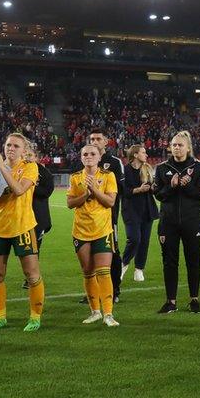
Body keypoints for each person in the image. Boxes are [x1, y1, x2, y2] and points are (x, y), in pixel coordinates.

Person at [0, 133, 45, 332]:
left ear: (24, 151)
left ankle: (35, 317)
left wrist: (2, 167)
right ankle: (0, 317)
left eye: (16, 146)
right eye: (8, 145)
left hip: (22, 227)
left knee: (31, 274)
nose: (11, 148)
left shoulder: (30, 167)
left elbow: (18, 190)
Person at [153, 131, 200, 314]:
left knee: (193, 260)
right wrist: (172, 186)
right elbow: (158, 194)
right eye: (174, 144)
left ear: (188, 147)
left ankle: (194, 300)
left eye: (180, 145)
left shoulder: (198, 166)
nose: (176, 147)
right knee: (169, 262)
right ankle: (171, 301)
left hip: (192, 221)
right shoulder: (161, 168)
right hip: (168, 222)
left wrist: (188, 185)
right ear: (170, 147)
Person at [67, 144, 120, 326]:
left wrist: (95, 191)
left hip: (102, 230)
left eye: (92, 154)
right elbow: (70, 203)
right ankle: (95, 312)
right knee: (88, 272)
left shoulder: (108, 176)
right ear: (81, 158)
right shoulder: (75, 178)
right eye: (85, 154)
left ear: (99, 158)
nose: (88, 156)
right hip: (81, 231)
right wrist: (85, 194)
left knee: (104, 272)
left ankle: (108, 314)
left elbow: (110, 202)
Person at [88, 129, 125, 301]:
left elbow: (121, 190)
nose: (94, 141)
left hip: (109, 218)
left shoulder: (114, 163)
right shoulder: (85, 161)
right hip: (87, 219)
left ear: (106, 142)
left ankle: (115, 290)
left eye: (98, 139)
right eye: (92, 139)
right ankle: (93, 291)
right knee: (89, 254)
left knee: (113, 252)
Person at [121, 144, 159, 282]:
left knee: (144, 241)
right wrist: (138, 190)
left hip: (147, 209)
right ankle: (123, 264)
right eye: (143, 152)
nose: (146, 155)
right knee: (134, 239)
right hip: (131, 210)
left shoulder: (147, 168)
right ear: (135, 155)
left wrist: (154, 187)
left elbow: (153, 189)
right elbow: (123, 192)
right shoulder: (124, 170)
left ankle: (139, 269)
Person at [23, 147, 54, 289]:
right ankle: (29, 276)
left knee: (34, 248)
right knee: (25, 248)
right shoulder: (21, 168)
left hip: (38, 217)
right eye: (26, 155)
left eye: (30, 155)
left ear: (37, 157)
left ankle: (32, 277)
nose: (28, 157)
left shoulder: (44, 173)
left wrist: (31, 186)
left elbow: (47, 191)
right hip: (21, 215)